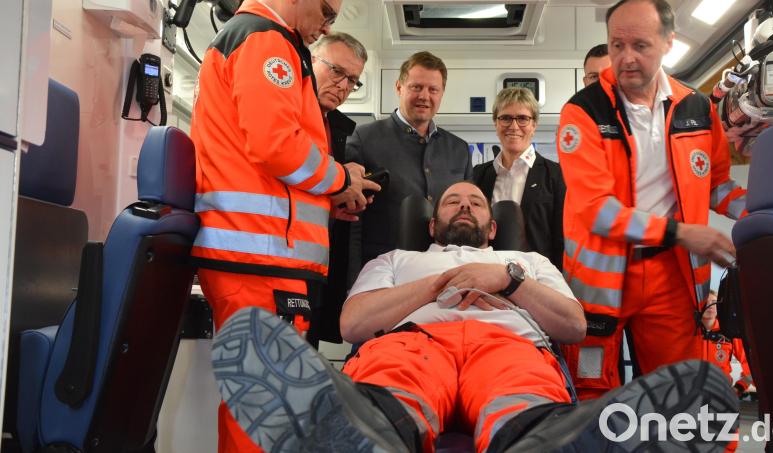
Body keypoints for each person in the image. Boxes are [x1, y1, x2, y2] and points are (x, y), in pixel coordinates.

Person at [210, 182, 738, 453]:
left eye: (476, 203)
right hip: (413, 340)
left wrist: (506, 281)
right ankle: (369, 431)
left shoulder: (529, 262)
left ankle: (544, 438)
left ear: (491, 227)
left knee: (519, 395)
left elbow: (574, 326)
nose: (464, 206)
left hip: (508, 345)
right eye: (451, 202)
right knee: (394, 382)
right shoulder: (394, 261)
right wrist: (438, 285)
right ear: (433, 221)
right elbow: (352, 326)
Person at [189, 0, 378, 450]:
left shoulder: (262, 40)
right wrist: (340, 178)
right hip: (258, 260)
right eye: (327, 12)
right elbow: (275, 146)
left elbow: (265, 174)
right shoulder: (265, 40)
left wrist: (326, 204)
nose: (327, 24)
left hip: (262, 259)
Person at [556, 0, 748, 400]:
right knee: (593, 400)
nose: (625, 58)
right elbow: (597, 210)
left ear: (668, 44)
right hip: (599, 282)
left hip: (671, 280)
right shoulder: (583, 112)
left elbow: (715, 184)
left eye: (640, 46)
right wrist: (683, 233)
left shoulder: (697, 108)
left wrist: (760, 217)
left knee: (676, 396)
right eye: (616, 45)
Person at [346, 51, 473, 265]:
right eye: (416, 87)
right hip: (383, 268)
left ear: (441, 94)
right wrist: (352, 279)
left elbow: (467, 217)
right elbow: (352, 220)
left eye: (433, 89)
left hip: (445, 267)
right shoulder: (365, 138)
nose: (424, 96)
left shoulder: (459, 149)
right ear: (399, 87)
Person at [306, 32, 369, 346]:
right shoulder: (288, 115)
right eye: (337, 71)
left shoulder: (346, 130)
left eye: (353, 80)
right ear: (310, 61)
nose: (343, 85)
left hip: (320, 262)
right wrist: (342, 180)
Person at [473, 87, 565, 269]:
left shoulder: (556, 175)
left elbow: (562, 240)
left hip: (537, 279)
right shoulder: (479, 174)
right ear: (496, 123)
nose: (513, 126)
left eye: (522, 118)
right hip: (488, 274)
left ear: (534, 125)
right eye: (506, 118)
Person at [701, 292, 754, 398]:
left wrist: (740, 387)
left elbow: (752, 364)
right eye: (706, 303)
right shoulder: (688, 333)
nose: (710, 306)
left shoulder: (728, 332)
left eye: (714, 303)